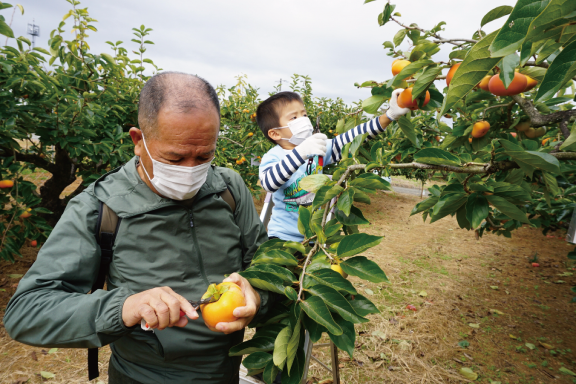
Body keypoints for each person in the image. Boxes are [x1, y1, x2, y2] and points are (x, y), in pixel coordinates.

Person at [4, 72, 272, 384]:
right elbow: (27, 311)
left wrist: (258, 294)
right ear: (138, 141)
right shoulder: (100, 207)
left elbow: (265, 265)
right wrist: (124, 306)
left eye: (204, 156)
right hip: (143, 377)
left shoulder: (228, 188)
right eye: (174, 157)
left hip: (224, 373)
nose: (190, 171)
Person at [256, 89, 410, 242]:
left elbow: (351, 138)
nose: (303, 120)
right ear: (275, 134)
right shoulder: (274, 156)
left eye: (304, 115)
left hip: (315, 237)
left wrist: (389, 116)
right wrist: (301, 152)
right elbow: (270, 183)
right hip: (282, 237)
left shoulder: (316, 148)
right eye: (294, 117)